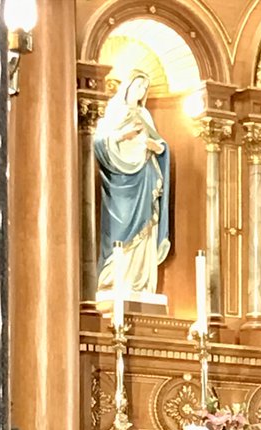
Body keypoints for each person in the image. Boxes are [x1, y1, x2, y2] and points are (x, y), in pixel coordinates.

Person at [94, 70, 170, 298]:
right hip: (119, 184)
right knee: (120, 229)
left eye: (144, 89)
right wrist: (122, 136)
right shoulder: (114, 112)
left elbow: (161, 144)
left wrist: (157, 147)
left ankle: (139, 283)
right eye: (138, 87)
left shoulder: (145, 115)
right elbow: (98, 143)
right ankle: (113, 280)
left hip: (144, 178)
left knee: (145, 229)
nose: (141, 93)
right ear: (127, 87)